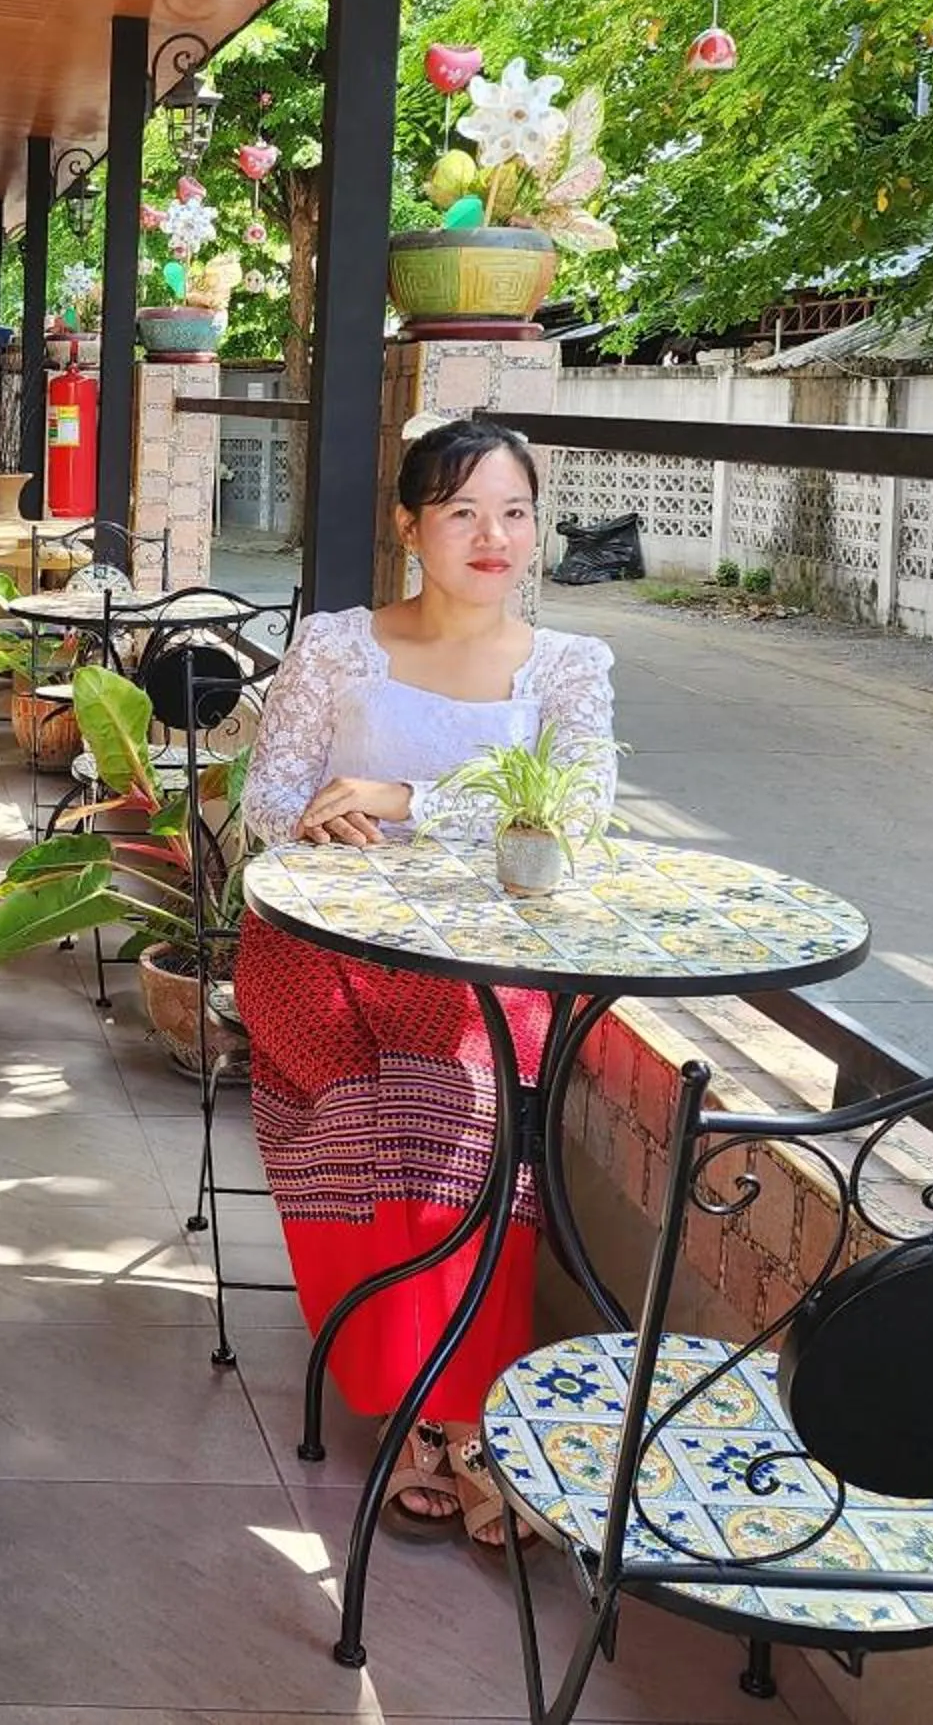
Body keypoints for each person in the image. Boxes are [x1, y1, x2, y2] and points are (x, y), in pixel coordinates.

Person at [234, 414, 616, 1549]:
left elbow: (580, 815)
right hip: (322, 948)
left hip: (482, 964)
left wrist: (401, 800)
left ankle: (447, 1409)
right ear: (411, 525)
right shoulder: (339, 646)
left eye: (513, 512)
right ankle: (444, 1415)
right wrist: (319, 816)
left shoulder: (569, 667)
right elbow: (268, 802)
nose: (491, 536)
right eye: (461, 511)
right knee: (373, 1108)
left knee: (462, 1103)